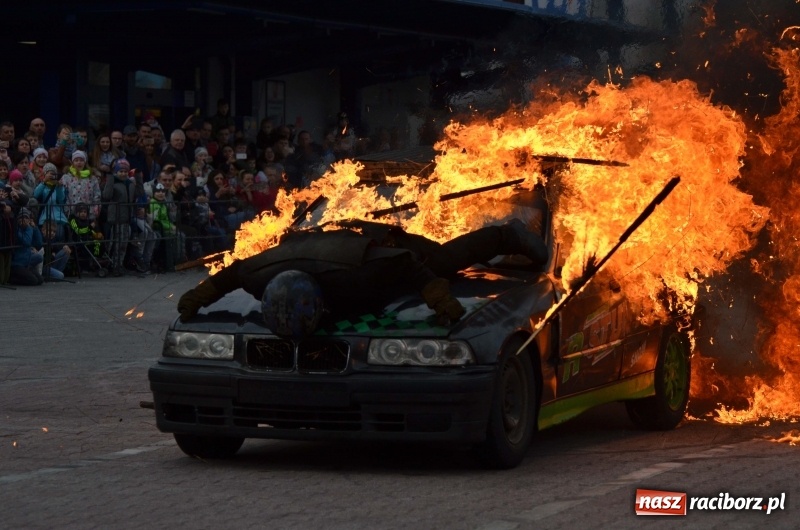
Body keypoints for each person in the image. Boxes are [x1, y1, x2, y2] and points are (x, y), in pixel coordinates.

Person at [177, 218, 548, 327]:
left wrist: (441, 301)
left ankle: (506, 234)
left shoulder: (356, 277)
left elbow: (408, 265)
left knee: (444, 263)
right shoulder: (260, 276)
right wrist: (194, 300)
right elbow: (228, 276)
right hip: (333, 237)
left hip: (382, 244)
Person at [102, 158, 143, 276]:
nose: (123, 174)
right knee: (113, 243)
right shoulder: (113, 182)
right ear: (116, 172)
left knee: (123, 244)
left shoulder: (130, 184)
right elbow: (106, 195)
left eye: (125, 171)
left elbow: (139, 193)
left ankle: (118, 265)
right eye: (121, 171)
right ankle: (110, 265)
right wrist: (110, 178)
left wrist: (138, 178)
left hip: (126, 218)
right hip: (114, 218)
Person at [60, 150, 101, 221]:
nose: (79, 162)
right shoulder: (66, 177)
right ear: (72, 162)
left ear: (85, 162)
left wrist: (94, 211)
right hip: (71, 214)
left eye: (81, 160)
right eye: (76, 160)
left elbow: (97, 195)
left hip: (89, 214)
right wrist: (67, 210)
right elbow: (63, 195)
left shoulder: (92, 178)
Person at [9, 207, 43, 286]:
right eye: (21, 218)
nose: (24, 220)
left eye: (26, 218)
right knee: (33, 281)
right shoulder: (17, 230)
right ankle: (11, 279)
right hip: (16, 264)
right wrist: (28, 228)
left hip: (26, 263)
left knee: (40, 280)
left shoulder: (29, 229)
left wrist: (35, 228)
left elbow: (39, 244)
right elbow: (26, 241)